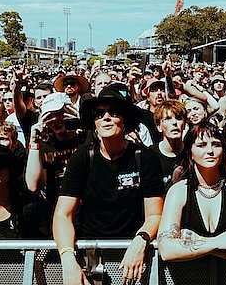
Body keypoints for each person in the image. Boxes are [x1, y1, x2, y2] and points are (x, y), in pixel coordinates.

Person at [53, 83, 164, 285]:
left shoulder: (145, 157)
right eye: (99, 114)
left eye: (114, 113)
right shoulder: (82, 157)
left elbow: (155, 214)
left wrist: (140, 240)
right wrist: (67, 259)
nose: (106, 117)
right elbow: (63, 214)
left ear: (125, 120)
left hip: (134, 255)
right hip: (91, 255)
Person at [158, 122, 226, 263]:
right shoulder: (178, 191)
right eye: (201, 145)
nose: (210, 151)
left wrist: (195, 242)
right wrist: (217, 242)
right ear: (190, 152)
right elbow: (166, 250)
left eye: (216, 144)